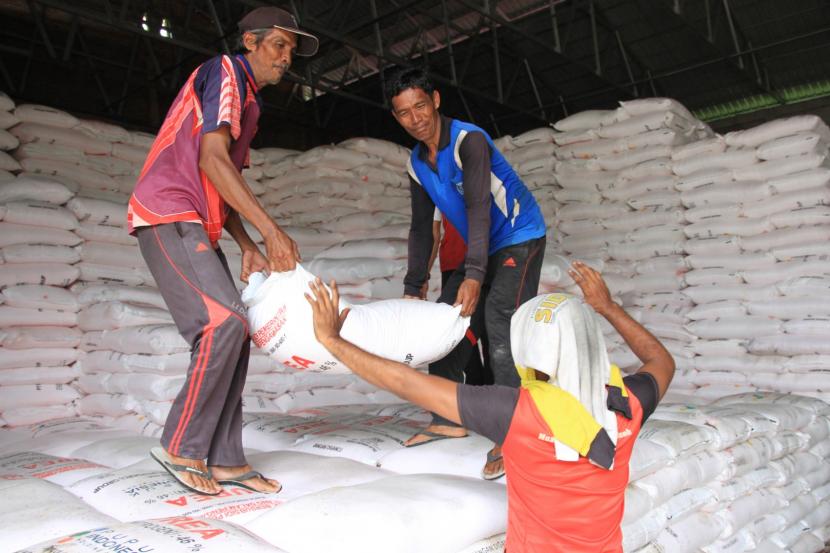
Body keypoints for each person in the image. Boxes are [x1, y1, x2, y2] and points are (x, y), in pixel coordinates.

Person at [305, 261, 674, 553]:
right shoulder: (627, 403)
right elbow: (661, 360)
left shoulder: (516, 412)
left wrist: (331, 340)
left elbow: (405, 382)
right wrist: (607, 307)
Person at [127, 6, 318, 496]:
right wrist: (271, 230)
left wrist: (247, 245)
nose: (286, 58)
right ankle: (181, 446)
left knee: (238, 328)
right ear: (250, 42)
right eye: (279, 45)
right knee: (221, 323)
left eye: (291, 51)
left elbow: (224, 179)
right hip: (168, 212)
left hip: (199, 222)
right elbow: (211, 159)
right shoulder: (226, 72)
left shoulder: (250, 106)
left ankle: (227, 459)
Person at [386, 68, 547, 478]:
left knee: (499, 319)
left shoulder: (468, 141)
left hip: (518, 236)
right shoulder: (416, 164)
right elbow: (421, 227)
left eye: (420, 106)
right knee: (444, 321)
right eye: (404, 113)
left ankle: (513, 428)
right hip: (482, 247)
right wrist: (413, 286)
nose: (415, 118)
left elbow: (478, 207)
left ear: (436, 100)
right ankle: (447, 417)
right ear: (397, 117)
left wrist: (473, 274)